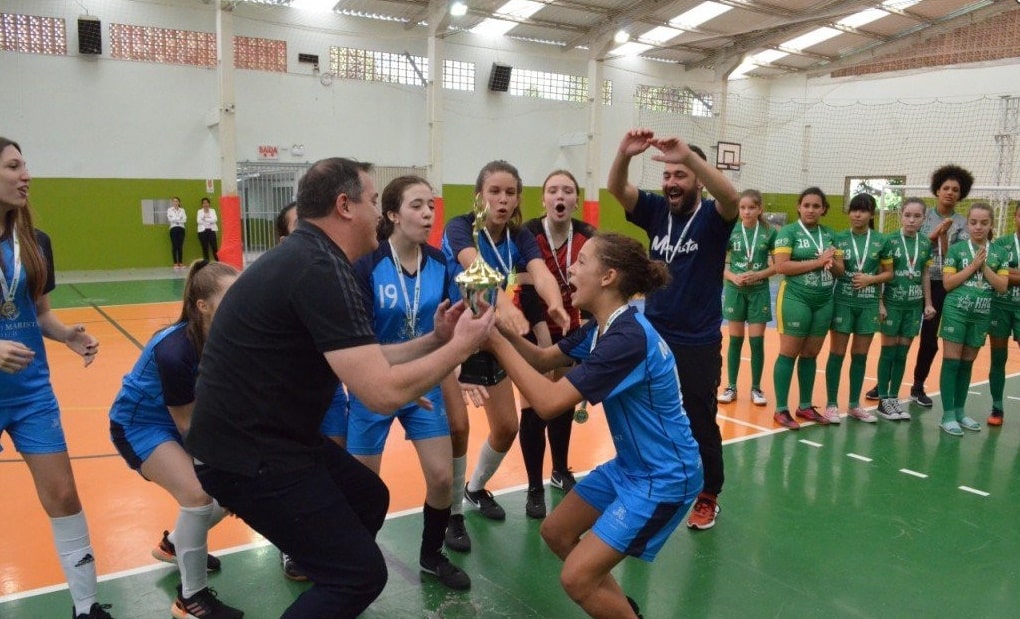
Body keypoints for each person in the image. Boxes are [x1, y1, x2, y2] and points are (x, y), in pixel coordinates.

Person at [186, 157, 494, 619]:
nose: (378, 212)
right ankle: (338, 583)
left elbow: (365, 358)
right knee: (362, 574)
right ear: (344, 206)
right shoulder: (318, 268)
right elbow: (382, 393)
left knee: (367, 497)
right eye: (373, 201)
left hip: (275, 441)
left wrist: (436, 340)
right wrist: (461, 349)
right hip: (248, 456)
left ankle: (331, 589)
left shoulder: (318, 259)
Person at [485, 233, 703, 619]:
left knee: (576, 578)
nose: (571, 268)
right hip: (632, 467)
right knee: (556, 532)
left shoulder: (628, 339)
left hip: (665, 475)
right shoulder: (602, 328)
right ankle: (621, 609)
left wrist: (493, 344)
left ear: (608, 277)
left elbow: (549, 404)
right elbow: (540, 361)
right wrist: (497, 328)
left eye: (582, 261)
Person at [0, 137, 111, 619]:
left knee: (64, 496)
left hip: (31, 395)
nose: (26, 175)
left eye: (25, 165)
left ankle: (86, 606)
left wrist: (67, 335)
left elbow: (38, 312)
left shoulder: (35, 241)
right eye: (13, 166)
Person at [606, 129, 738, 531]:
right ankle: (644, 480)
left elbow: (732, 199)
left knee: (699, 420)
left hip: (697, 340)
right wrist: (624, 153)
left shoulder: (714, 219)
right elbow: (616, 187)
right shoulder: (654, 210)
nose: (671, 184)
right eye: (667, 177)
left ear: (697, 179)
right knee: (641, 410)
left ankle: (709, 494)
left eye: (680, 176)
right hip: (653, 334)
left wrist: (690, 157)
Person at [346, 175, 470, 590]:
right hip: (373, 387)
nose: (428, 213)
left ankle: (431, 555)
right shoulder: (366, 267)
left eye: (431, 206)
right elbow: (360, 345)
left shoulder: (440, 263)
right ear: (394, 215)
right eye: (417, 205)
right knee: (363, 489)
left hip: (424, 384)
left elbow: (455, 325)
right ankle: (354, 566)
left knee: (441, 479)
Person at [108, 260, 243, 619]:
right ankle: (190, 598)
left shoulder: (230, 336)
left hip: (185, 418)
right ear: (203, 306)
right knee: (200, 495)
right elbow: (189, 427)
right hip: (141, 426)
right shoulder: (175, 351)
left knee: (234, 486)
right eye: (231, 297)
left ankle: (174, 545)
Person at [440, 160, 570, 524]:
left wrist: (555, 301)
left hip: (489, 338)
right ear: (479, 196)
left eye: (510, 193)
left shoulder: (518, 237)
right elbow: (474, 266)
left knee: (507, 428)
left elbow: (541, 272)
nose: (502, 199)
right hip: (450, 339)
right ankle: (451, 514)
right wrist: (502, 304)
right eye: (494, 191)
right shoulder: (460, 227)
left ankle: (475, 487)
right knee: (458, 429)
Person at [516, 169, 596, 519]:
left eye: (567, 190)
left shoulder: (588, 237)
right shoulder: (528, 234)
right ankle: (534, 486)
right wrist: (545, 340)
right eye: (553, 190)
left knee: (562, 405)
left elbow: (595, 286)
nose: (559, 196)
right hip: (534, 331)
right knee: (535, 409)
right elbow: (527, 287)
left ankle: (560, 470)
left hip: (572, 332)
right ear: (543, 199)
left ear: (576, 199)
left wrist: (591, 332)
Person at [867, 165, 973, 406]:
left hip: (940, 285)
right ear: (937, 190)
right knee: (895, 338)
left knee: (928, 339)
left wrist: (945, 237)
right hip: (908, 281)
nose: (950, 192)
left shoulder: (962, 223)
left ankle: (917, 385)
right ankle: (884, 385)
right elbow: (917, 242)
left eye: (955, 189)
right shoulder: (923, 214)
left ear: (961, 194)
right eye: (945, 188)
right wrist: (936, 233)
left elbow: (953, 255)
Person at [771, 187, 846, 429]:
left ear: (824, 209)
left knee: (811, 354)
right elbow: (781, 266)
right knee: (789, 352)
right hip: (796, 298)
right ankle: (781, 409)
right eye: (807, 205)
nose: (811, 210)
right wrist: (819, 261)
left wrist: (832, 263)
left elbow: (840, 271)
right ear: (799, 207)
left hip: (824, 300)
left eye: (816, 206)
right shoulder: (788, 232)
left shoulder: (831, 235)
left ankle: (804, 405)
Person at [937, 202, 1008, 436]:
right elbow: (948, 284)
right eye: (974, 222)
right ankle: (947, 415)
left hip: (981, 314)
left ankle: (959, 411)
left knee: (967, 363)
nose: (978, 227)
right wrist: (972, 267)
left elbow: (1002, 287)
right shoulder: (957, 250)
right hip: (956, 312)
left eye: (984, 223)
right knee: (952, 361)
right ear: (967, 223)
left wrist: (984, 266)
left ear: (990, 225)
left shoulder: (999, 252)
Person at [822, 194, 891, 423]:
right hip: (843, 301)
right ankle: (831, 405)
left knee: (860, 356)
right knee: (837, 354)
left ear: (872, 214)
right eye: (854, 210)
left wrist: (870, 280)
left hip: (868, 303)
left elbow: (888, 273)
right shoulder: (838, 238)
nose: (857, 214)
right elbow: (837, 269)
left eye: (863, 211)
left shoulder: (882, 240)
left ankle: (854, 404)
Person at [874, 198, 936, 421]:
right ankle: (882, 400)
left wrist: (928, 303)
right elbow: (881, 272)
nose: (911, 220)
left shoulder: (926, 243)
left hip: (913, 306)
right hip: (892, 304)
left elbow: (924, 274)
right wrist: (879, 303)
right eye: (907, 215)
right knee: (888, 352)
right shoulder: (888, 241)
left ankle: (893, 398)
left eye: (916, 216)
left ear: (924, 218)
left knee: (902, 353)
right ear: (900, 215)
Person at [718, 189, 775, 407]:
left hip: (759, 291)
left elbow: (779, 265)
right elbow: (717, 261)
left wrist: (759, 274)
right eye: (742, 207)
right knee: (735, 340)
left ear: (760, 209)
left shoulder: (770, 232)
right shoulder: (731, 230)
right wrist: (732, 276)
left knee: (757, 342)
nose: (747, 211)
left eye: (751, 207)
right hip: (735, 291)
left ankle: (756, 388)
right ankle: (731, 386)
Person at [987, 201, 1020, 426]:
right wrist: (1007, 274)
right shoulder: (1001, 243)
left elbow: (1005, 274)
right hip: (999, 306)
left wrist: (1008, 273)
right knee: (998, 358)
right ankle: (997, 407)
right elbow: (996, 272)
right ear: (1015, 217)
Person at [168, 196, 187, 270]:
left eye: (177, 201)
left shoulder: (182, 210)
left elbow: (184, 219)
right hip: (173, 228)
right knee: (174, 245)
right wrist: (179, 219)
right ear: (172, 203)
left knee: (180, 246)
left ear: (179, 202)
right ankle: (175, 263)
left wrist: (176, 219)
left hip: (181, 228)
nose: (175, 202)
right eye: (174, 201)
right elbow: (170, 219)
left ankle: (181, 263)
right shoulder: (170, 210)